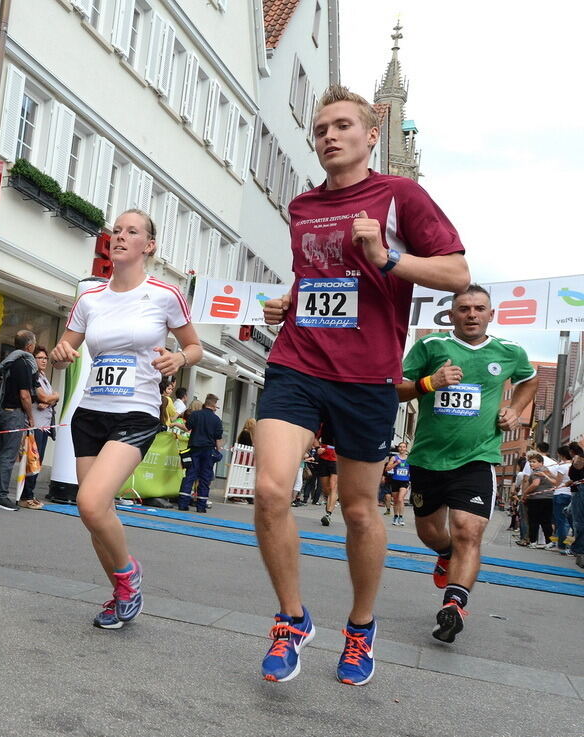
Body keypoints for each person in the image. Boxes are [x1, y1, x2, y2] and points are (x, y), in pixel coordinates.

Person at [256, 84, 469, 686]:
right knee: (271, 490)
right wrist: (289, 301)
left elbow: (457, 272)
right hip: (297, 362)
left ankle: (360, 628)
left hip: (366, 377)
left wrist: (385, 258)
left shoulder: (400, 196)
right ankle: (292, 620)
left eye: (343, 125)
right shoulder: (301, 206)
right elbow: (321, 282)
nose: (329, 135)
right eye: (321, 128)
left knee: (358, 510)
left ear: (371, 135)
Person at [52, 209, 202, 630]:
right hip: (90, 413)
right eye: (116, 230)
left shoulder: (164, 295)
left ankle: (128, 579)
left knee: (90, 501)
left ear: (148, 246)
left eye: (131, 232)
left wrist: (178, 358)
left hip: (135, 411)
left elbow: (195, 347)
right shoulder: (90, 299)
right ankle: (120, 592)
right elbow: (65, 349)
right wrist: (62, 354)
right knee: (94, 515)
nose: (120, 236)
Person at [397, 284, 536, 643]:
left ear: (491, 314)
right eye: (464, 309)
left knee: (467, 530)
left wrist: (515, 410)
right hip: (429, 457)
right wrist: (431, 382)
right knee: (430, 533)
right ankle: (445, 554)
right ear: (451, 315)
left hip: (478, 457)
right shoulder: (431, 347)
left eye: (479, 308)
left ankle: (454, 605)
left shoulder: (509, 351)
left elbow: (529, 380)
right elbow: (396, 386)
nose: (471, 314)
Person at [0, 330, 38, 511]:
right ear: (29, 346)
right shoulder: (23, 364)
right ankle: (0, 494)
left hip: (2, 410)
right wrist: (30, 416)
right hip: (14, 413)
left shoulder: (10, 360)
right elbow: (25, 395)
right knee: (8, 455)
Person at [20, 345, 60, 508]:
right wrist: (52, 397)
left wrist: (52, 398)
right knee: (32, 461)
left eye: (45, 358)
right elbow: (43, 396)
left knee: (38, 462)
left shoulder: (43, 376)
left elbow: (50, 398)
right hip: (35, 424)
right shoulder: (33, 376)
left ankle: (30, 493)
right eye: (40, 358)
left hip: (44, 426)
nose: (44, 361)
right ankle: (25, 496)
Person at [178, 393, 223, 513]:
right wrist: (218, 451)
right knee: (204, 478)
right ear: (214, 405)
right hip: (208, 451)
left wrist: (175, 424)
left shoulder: (195, 415)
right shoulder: (217, 420)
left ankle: (183, 503)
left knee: (190, 475)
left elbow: (187, 428)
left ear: (206, 403)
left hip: (194, 449)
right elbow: (218, 438)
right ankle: (201, 506)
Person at [523, 452, 561, 549]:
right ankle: (549, 542)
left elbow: (535, 484)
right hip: (548, 498)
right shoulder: (547, 471)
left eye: (534, 462)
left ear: (541, 463)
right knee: (546, 521)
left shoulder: (537, 472)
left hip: (536, 499)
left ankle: (533, 541)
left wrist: (525, 493)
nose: (531, 464)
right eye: (530, 462)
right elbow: (555, 481)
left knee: (533, 521)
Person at [550, 446, 574, 552]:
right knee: (569, 521)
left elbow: (557, 483)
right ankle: (568, 545)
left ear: (561, 455)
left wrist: (546, 475)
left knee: (560, 521)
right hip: (572, 494)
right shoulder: (574, 465)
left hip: (560, 494)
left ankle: (561, 546)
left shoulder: (562, 467)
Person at [566, 442, 584, 568]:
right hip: (577, 488)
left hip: (580, 490)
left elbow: (578, 467)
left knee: (579, 521)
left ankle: (579, 549)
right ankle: (578, 547)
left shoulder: (579, 457)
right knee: (568, 512)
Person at [384, 442, 411, 526]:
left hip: (405, 481)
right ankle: (396, 516)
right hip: (395, 481)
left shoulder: (410, 459)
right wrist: (396, 463)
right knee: (395, 500)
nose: (402, 448)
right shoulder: (394, 458)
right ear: (398, 448)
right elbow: (387, 468)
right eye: (400, 447)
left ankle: (401, 517)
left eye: (403, 447)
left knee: (400, 498)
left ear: (406, 449)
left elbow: (413, 470)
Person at [316, 438, 338, 524]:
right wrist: (318, 448)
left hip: (337, 460)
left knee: (333, 487)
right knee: (326, 490)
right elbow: (315, 438)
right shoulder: (325, 425)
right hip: (323, 459)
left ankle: (328, 514)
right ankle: (328, 501)